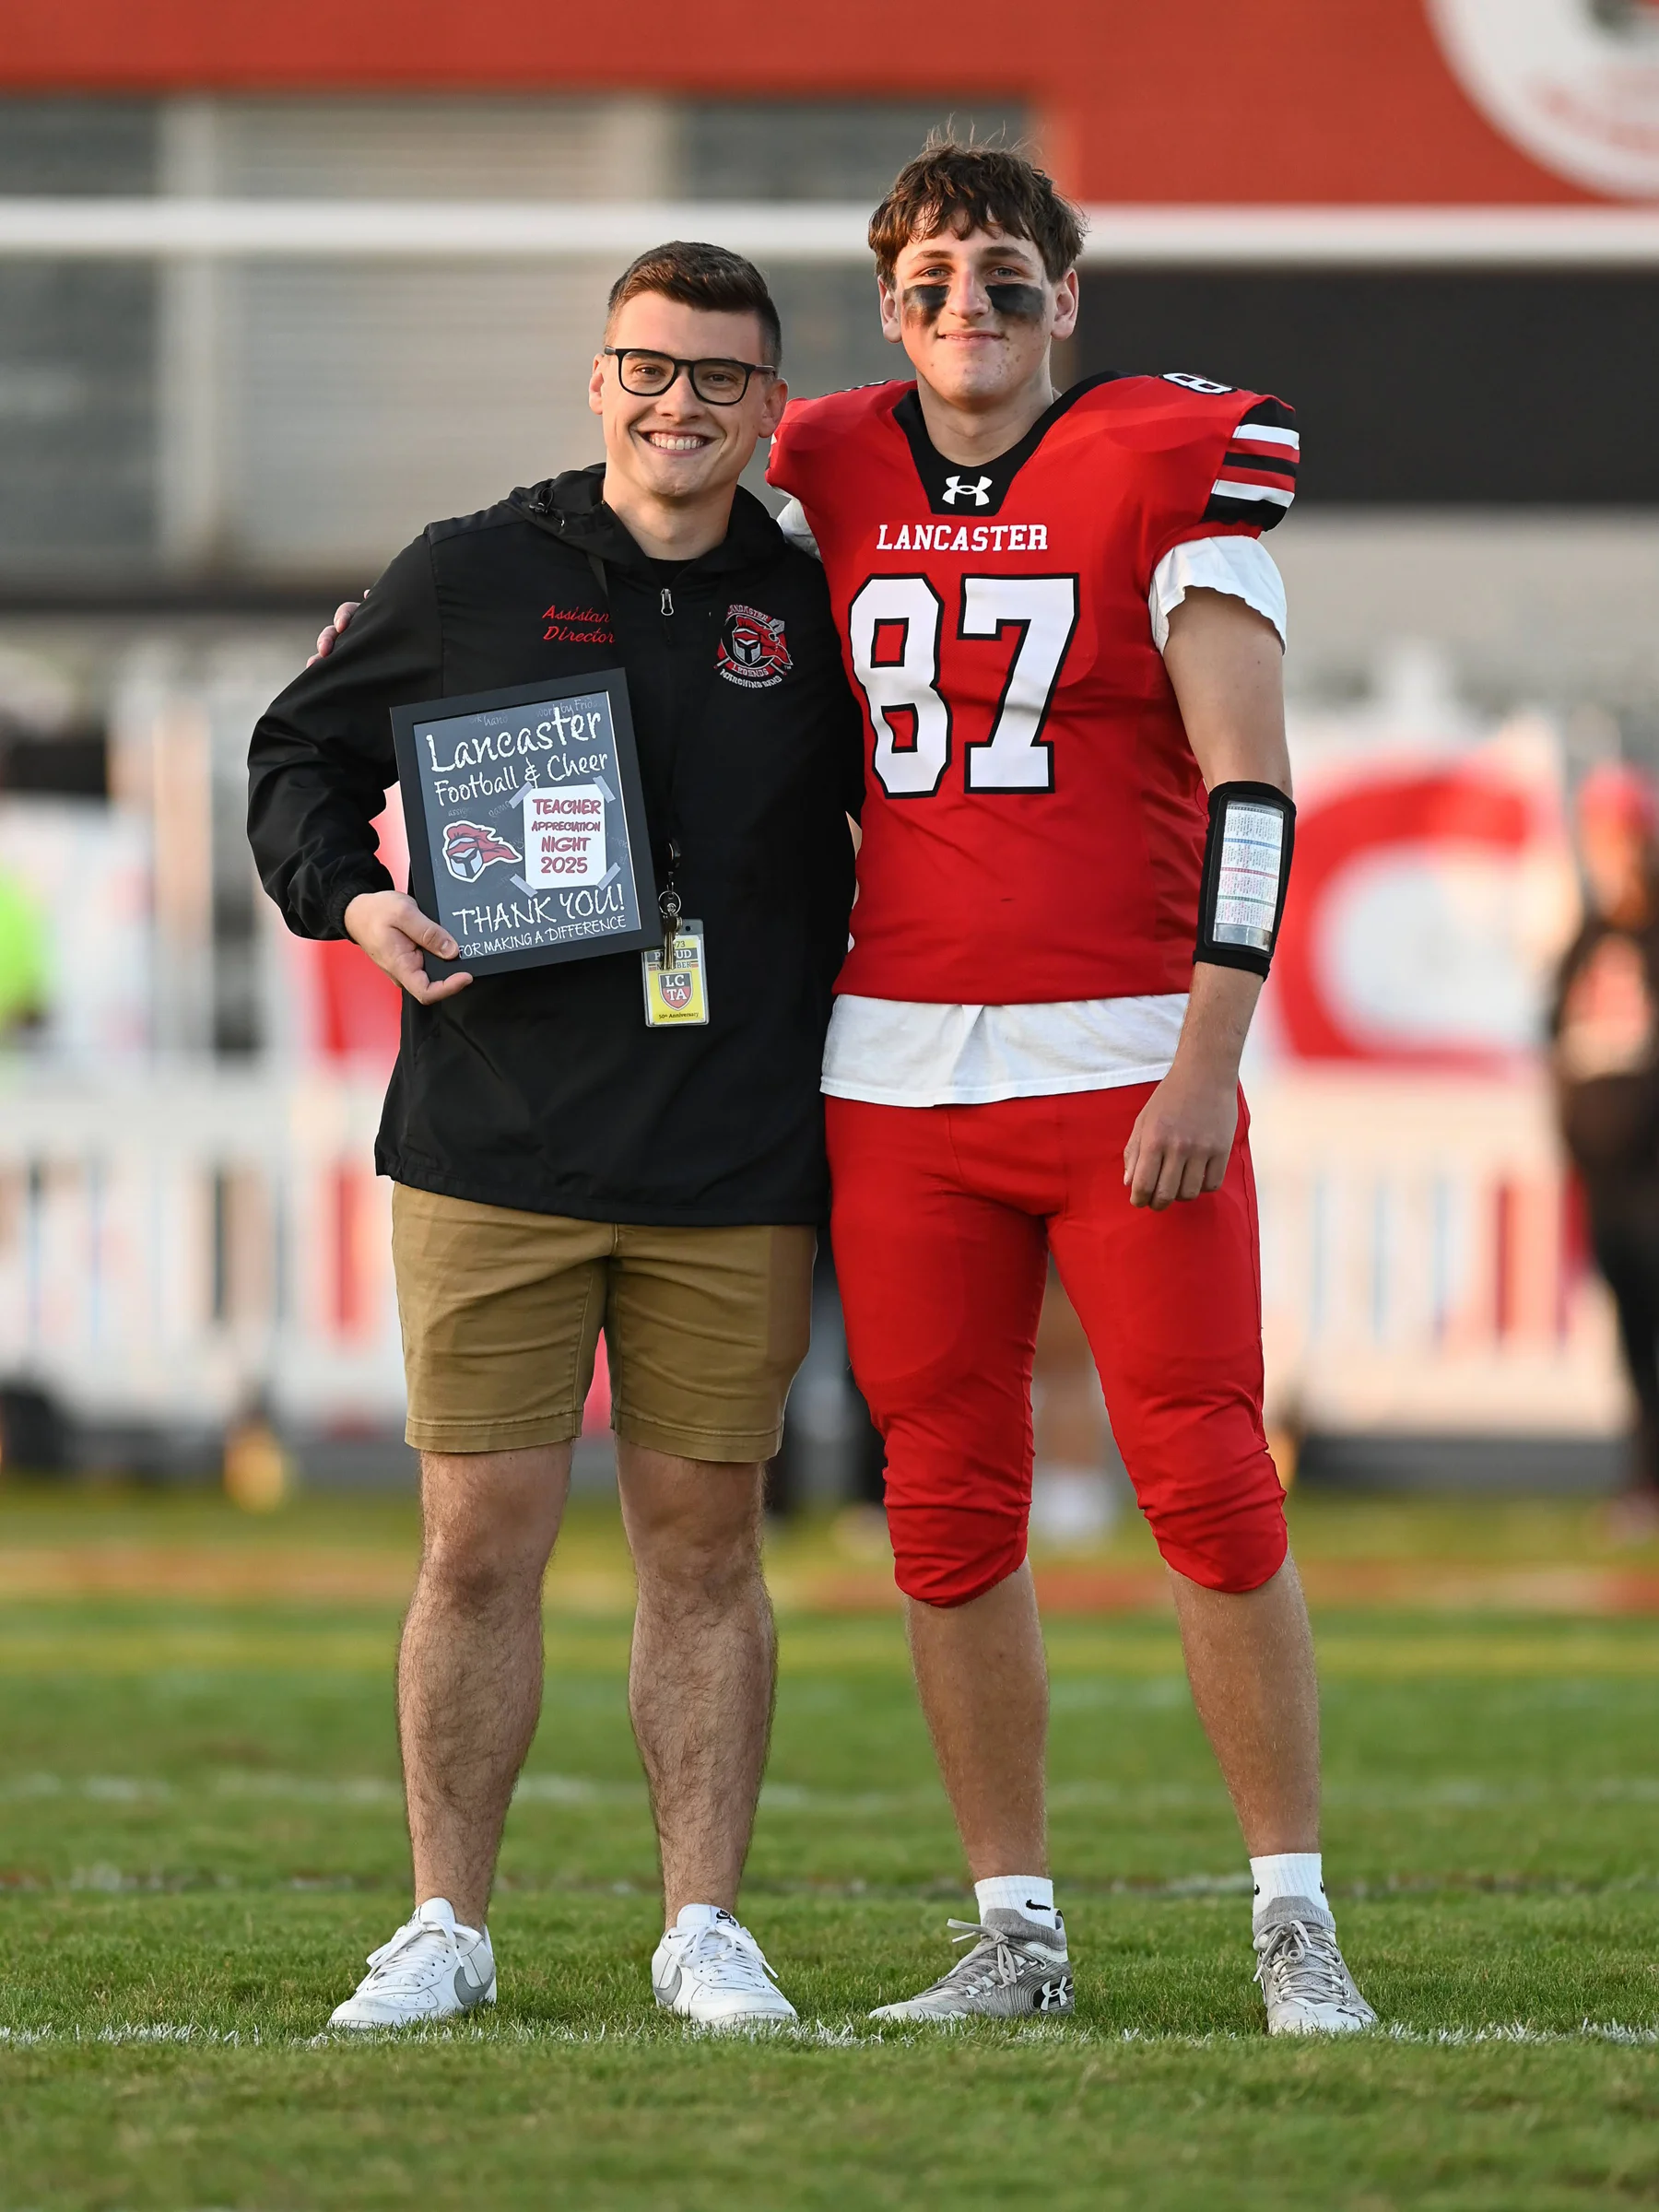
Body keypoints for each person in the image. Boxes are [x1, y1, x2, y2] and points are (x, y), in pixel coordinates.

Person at [764, 139, 1375, 2033]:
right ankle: (1014, 1932)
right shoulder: (827, 453)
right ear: (888, 306)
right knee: (943, 1508)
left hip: (1124, 1058)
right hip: (898, 1068)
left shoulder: (1163, 463)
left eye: (1010, 279)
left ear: (1068, 299)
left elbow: (1254, 792)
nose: (972, 308)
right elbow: (639, 518)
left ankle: (1294, 1917)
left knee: (1204, 1476)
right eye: (937, 279)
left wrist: (1212, 1048)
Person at [248, 241, 861, 2031]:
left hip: (731, 1152)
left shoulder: (817, 606)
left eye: (723, 380)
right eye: (649, 369)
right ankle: (447, 1922)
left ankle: (704, 1927)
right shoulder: (472, 570)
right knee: (478, 1546)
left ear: (772, 407)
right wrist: (353, 904)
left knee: (703, 1547)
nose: (683, 404)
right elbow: (299, 755)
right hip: (494, 1140)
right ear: (597, 380)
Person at [1552, 761, 1659, 1546]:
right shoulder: (1585, 940)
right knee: (1632, 1329)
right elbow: (1554, 1042)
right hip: (1607, 1182)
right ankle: (1642, 1477)